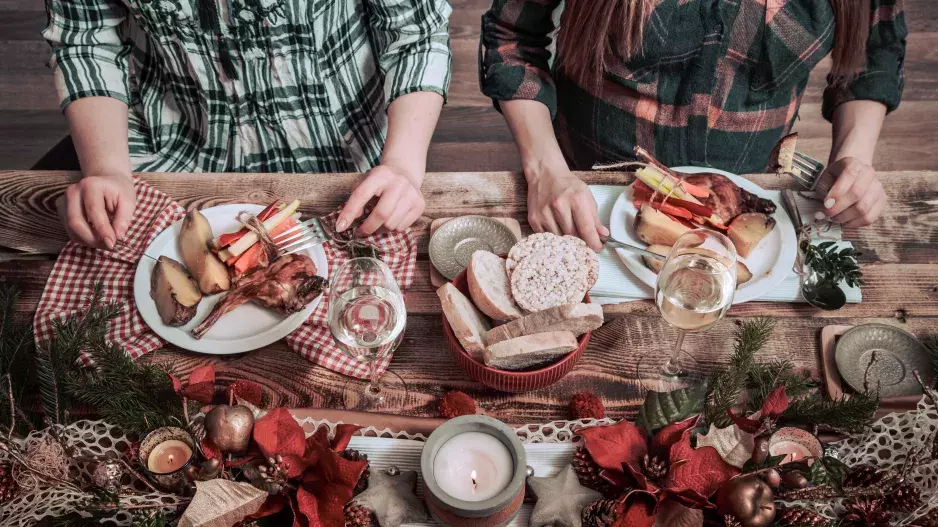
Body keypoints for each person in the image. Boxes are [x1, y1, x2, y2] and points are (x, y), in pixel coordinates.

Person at [480, 0, 907, 250]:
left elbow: (875, 52)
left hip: (752, 209)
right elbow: (511, 36)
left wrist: (854, 159)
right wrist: (544, 169)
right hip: (593, 199)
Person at [43, 0, 452, 250]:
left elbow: (416, 31)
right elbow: (86, 40)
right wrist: (106, 168)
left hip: (348, 157)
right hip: (175, 144)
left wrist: (402, 164)